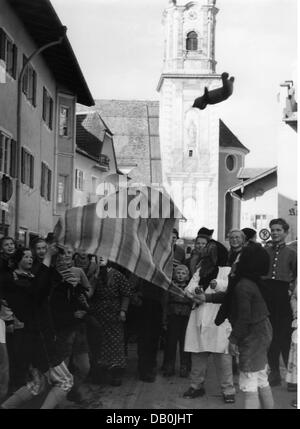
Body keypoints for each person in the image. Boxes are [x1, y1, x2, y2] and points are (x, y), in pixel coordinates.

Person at [201, 243, 274, 409]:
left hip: (253, 336)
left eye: (241, 256)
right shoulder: (247, 282)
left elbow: (244, 318)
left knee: (249, 382)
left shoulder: (243, 285)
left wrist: (233, 340)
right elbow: (230, 298)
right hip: (261, 332)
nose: (237, 257)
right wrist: (207, 298)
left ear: (247, 262)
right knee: (261, 378)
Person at [1, 246, 73, 409]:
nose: (30, 259)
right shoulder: (14, 281)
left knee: (37, 384)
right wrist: (47, 258)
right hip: (39, 338)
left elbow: (46, 285)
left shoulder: (27, 278)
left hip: (37, 337)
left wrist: (54, 260)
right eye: (25, 257)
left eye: (30, 256)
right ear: (15, 262)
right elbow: (37, 292)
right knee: (65, 381)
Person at [183, 265, 235, 403]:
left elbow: (231, 289)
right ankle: (196, 386)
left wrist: (217, 284)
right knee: (198, 353)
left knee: (223, 355)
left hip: (219, 317)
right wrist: (196, 290)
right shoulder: (202, 269)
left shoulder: (229, 269)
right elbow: (189, 287)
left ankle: (228, 390)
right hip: (200, 314)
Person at [261, 218, 297, 387]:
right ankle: (274, 373)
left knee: (286, 338)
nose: (275, 233)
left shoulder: (292, 253)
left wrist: (293, 294)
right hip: (267, 296)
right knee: (270, 337)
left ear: (285, 232)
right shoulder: (265, 251)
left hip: (284, 297)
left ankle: (293, 378)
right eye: (273, 230)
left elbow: (297, 277)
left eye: (278, 230)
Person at [89, 257, 133, 386]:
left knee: (115, 343)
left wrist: (123, 310)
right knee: (99, 343)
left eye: (105, 255)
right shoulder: (94, 274)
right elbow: (89, 292)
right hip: (98, 314)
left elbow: (126, 294)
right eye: (99, 256)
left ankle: (116, 374)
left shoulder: (118, 275)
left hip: (114, 314)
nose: (101, 258)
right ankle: (99, 373)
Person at [162, 265, 192, 378]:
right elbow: (165, 303)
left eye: (183, 273)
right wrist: (164, 320)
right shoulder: (170, 287)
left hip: (186, 318)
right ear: (174, 274)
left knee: (185, 343)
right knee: (171, 343)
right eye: (178, 272)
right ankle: (169, 366)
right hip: (173, 317)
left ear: (187, 276)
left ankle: (185, 366)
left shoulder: (190, 288)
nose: (180, 275)